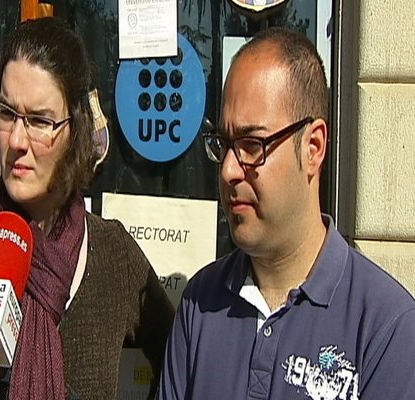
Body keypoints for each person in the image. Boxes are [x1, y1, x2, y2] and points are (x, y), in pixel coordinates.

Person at [0, 17, 174, 400]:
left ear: (75, 130)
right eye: (7, 113)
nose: (17, 141)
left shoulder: (114, 254)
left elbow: (181, 361)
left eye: (39, 120)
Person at [159, 27, 415, 400]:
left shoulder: (386, 328)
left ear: (313, 148)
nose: (228, 170)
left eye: (251, 145)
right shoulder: (200, 303)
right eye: (223, 144)